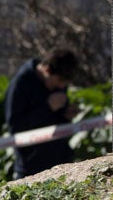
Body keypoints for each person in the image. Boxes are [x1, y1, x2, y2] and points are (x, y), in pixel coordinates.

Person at [6, 49, 79, 179]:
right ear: (46, 70)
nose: (62, 86)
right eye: (60, 81)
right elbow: (16, 128)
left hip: (61, 161)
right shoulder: (20, 85)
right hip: (32, 169)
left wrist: (66, 116)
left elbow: (57, 120)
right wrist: (48, 107)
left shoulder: (58, 83)